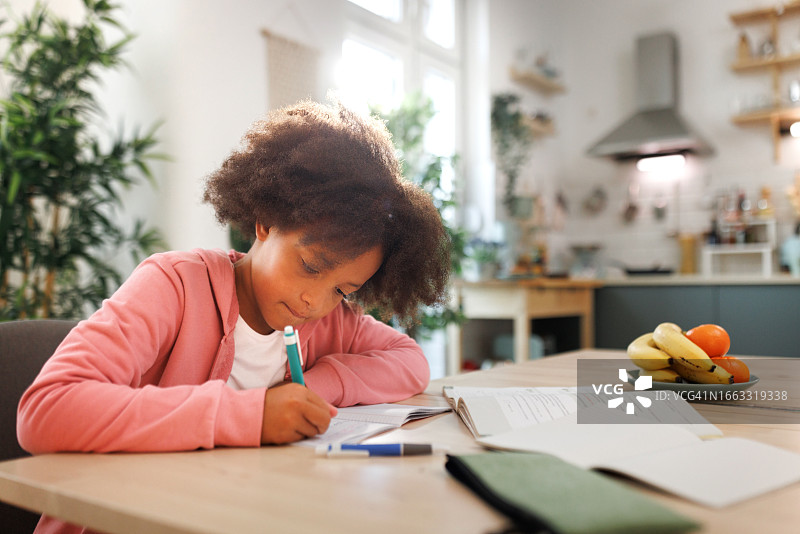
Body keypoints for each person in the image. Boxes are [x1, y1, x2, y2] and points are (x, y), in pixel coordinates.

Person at [17, 99, 451, 458]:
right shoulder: (175, 286)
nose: (313, 302)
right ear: (266, 223)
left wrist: (320, 385)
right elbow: (46, 410)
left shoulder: (329, 321)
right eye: (311, 267)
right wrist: (250, 415)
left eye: (342, 290)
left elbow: (411, 362)